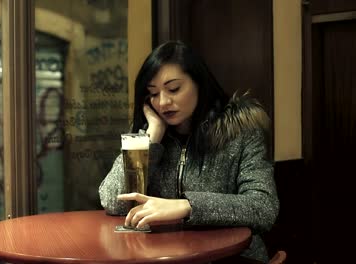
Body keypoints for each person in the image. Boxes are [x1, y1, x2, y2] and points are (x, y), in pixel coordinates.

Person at [98, 40, 279, 263]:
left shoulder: (241, 130)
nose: (163, 102)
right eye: (153, 94)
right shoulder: (148, 134)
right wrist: (152, 138)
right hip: (162, 258)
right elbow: (112, 201)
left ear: (199, 84)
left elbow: (263, 208)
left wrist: (186, 206)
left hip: (232, 258)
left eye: (174, 89)